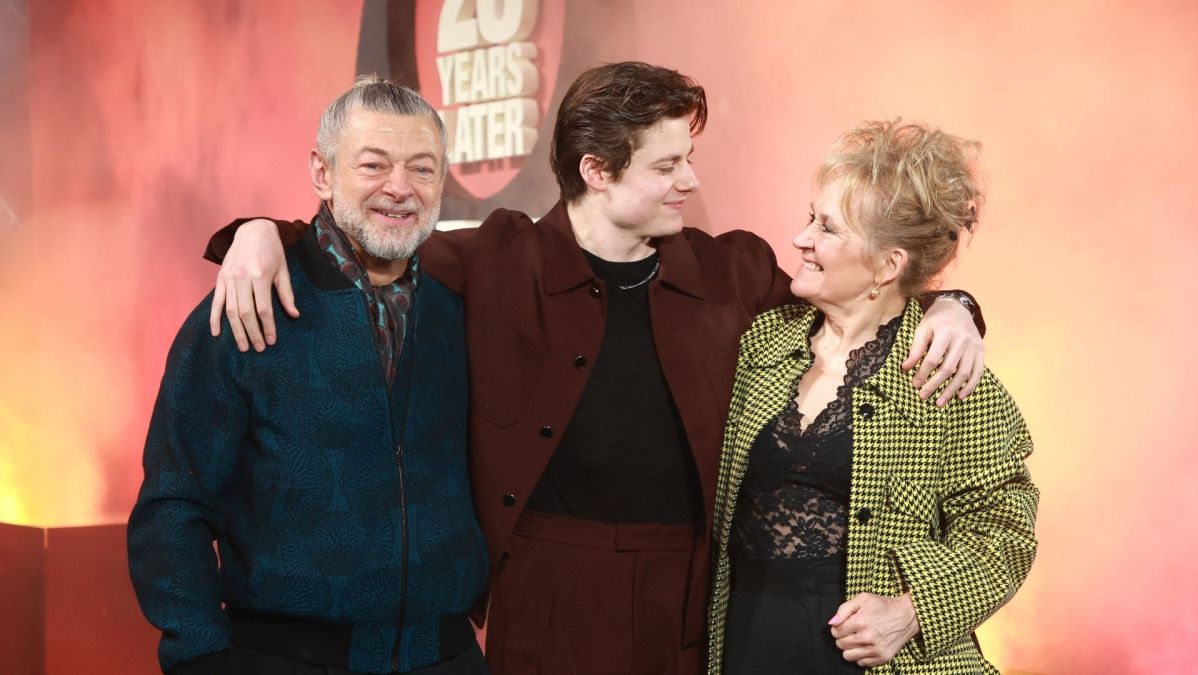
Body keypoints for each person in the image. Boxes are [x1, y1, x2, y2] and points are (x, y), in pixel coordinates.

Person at [203, 63, 987, 675]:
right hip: (545, 590)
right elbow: (375, 236)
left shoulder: (731, 270)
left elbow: (862, 297)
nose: (691, 181)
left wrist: (954, 302)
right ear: (598, 171)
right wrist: (259, 233)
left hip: (688, 595)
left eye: (691, 158)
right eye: (668, 165)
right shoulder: (495, 258)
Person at [128, 76, 490, 675]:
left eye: (422, 169)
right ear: (322, 173)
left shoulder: (464, 308)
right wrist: (198, 656)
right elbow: (175, 502)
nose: (400, 188)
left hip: (447, 657)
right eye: (374, 165)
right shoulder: (247, 304)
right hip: (283, 657)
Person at [706, 120, 1038, 674]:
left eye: (828, 228)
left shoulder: (946, 370)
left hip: (876, 656)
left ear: (888, 265)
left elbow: (1005, 530)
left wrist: (914, 609)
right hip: (748, 639)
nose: (801, 239)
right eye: (809, 217)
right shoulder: (760, 343)